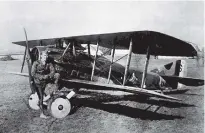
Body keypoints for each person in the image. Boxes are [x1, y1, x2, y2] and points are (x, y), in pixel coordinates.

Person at [31, 50, 60, 118]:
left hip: (46, 81)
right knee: (41, 97)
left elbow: (53, 71)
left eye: (46, 55)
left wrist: (49, 75)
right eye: (44, 55)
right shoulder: (36, 63)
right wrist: (42, 77)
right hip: (38, 83)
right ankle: (42, 114)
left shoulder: (48, 63)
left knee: (57, 75)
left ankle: (54, 90)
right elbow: (33, 73)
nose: (46, 57)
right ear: (41, 56)